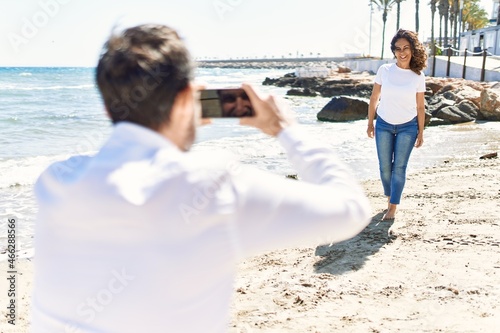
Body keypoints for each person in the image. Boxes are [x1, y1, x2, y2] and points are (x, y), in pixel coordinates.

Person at [31, 24, 371, 333]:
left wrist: (178, 121)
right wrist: (285, 129)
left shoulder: (55, 179)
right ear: (186, 99)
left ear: (107, 109)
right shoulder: (213, 186)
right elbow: (351, 211)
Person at [367, 29, 427, 221]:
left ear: (412, 49)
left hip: (407, 127)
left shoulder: (418, 76)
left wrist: (421, 132)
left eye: (406, 48)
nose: (402, 52)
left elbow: (420, 106)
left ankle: (393, 207)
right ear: (393, 51)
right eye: (398, 48)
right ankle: (389, 198)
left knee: (399, 167)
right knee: (385, 167)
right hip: (383, 124)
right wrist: (370, 123)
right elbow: (374, 97)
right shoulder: (384, 70)